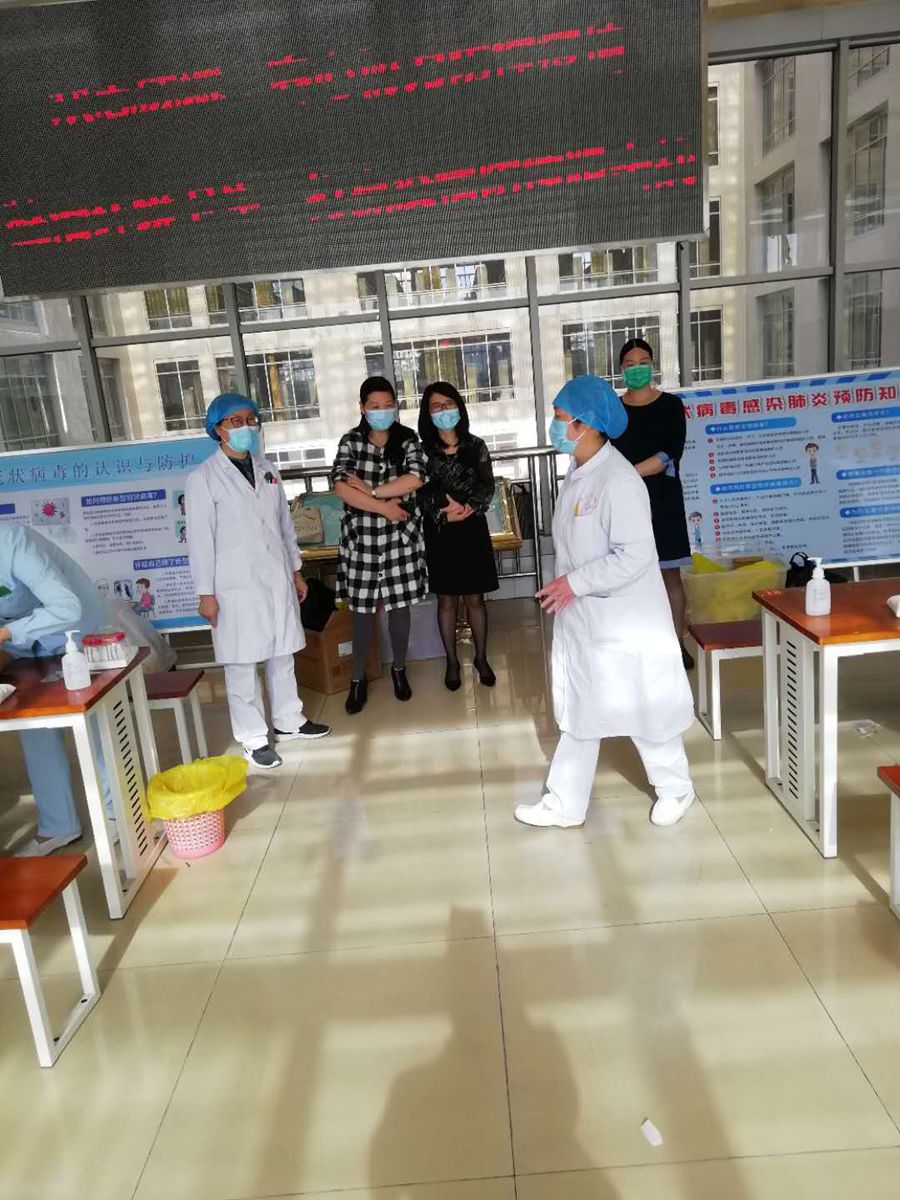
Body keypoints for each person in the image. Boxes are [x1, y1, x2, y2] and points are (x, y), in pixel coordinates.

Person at [515, 374, 695, 830]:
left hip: (626, 621)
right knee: (581, 711)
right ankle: (565, 803)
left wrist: (575, 583)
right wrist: (573, 586)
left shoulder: (618, 479)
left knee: (646, 711)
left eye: (560, 418)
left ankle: (676, 789)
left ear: (586, 424)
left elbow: (635, 555)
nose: (555, 426)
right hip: (588, 617)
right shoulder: (579, 473)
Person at [185, 392, 330, 769]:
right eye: (236, 421)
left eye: (251, 420)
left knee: (282, 652)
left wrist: (295, 570)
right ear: (217, 429)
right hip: (232, 586)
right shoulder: (203, 479)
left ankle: (289, 720)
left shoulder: (268, 470)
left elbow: (284, 526)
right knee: (241, 662)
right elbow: (200, 541)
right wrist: (205, 593)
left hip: (275, 576)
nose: (246, 427)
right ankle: (252, 737)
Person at [0, 524, 110, 855]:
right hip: (23, 640)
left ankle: (118, 813)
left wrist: (4, 635)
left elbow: (66, 607)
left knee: (92, 717)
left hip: (74, 627)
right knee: (33, 719)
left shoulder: (12, 542)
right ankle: (59, 826)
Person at [331, 376, 428, 715]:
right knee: (361, 613)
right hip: (362, 540)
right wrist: (384, 506)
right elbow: (342, 488)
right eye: (374, 406)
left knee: (400, 609)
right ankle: (357, 678)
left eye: (388, 405)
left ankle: (399, 669)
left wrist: (371, 491)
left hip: (400, 538)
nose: (382, 411)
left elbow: (415, 478)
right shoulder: (351, 441)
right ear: (362, 408)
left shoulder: (408, 439)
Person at [612, 338, 694, 669]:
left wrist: (629, 474)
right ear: (621, 369)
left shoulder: (671, 405)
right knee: (628, 578)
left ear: (653, 365)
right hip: (624, 504)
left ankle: (677, 642)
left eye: (643, 362)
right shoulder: (613, 410)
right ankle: (637, 646)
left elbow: (670, 452)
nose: (637, 369)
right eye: (630, 364)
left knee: (669, 575)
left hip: (663, 501)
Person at [417, 381, 499, 690]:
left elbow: (487, 484)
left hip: (472, 528)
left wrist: (470, 507)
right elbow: (416, 494)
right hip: (440, 532)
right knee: (447, 600)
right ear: (427, 413)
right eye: (436, 406)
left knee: (475, 598)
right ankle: (451, 661)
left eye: (448, 404)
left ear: (459, 407)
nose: (443, 410)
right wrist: (442, 513)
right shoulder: (421, 452)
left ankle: (481, 658)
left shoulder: (475, 446)